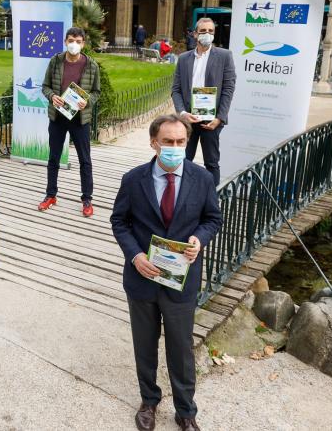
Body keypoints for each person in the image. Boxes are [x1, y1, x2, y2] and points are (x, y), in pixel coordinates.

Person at [110, 114, 222, 431]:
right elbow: (119, 221)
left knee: (181, 349)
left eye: (180, 142)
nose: (175, 148)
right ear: (154, 143)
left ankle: (186, 411)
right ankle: (149, 401)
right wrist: (134, 256)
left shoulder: (202, 179)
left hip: (180, 280)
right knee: (144, 345)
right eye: (168, 142)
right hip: (142, 279)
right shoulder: (134, 179)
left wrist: (199, 240)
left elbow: (213, 218)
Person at [39, 26, 101, 217]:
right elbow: (45, 86)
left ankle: (87, 199)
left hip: (80, 119)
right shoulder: (55, 61)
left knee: (85, 160)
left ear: (83, 43)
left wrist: (87, 101)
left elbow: (96, 92)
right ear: (65, 41)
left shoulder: (91, 65)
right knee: (54, 158)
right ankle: (51, 195)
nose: (74, 44)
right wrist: (52, 97)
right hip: (58, 117)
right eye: (71, 40)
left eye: (78, 41)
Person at [171, 17, 236, 186]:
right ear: (195, 34)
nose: (207, 34)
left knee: (212, 162)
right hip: (188, 119)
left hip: (212, 120)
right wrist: (183, 113)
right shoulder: (184, 58)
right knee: (184, 159)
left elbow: (228, 89)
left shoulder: (224, 56)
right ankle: (183, 193)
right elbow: (176, 89)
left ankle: (212, 200)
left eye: (210, 31)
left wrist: (219, 118)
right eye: (203, 31)